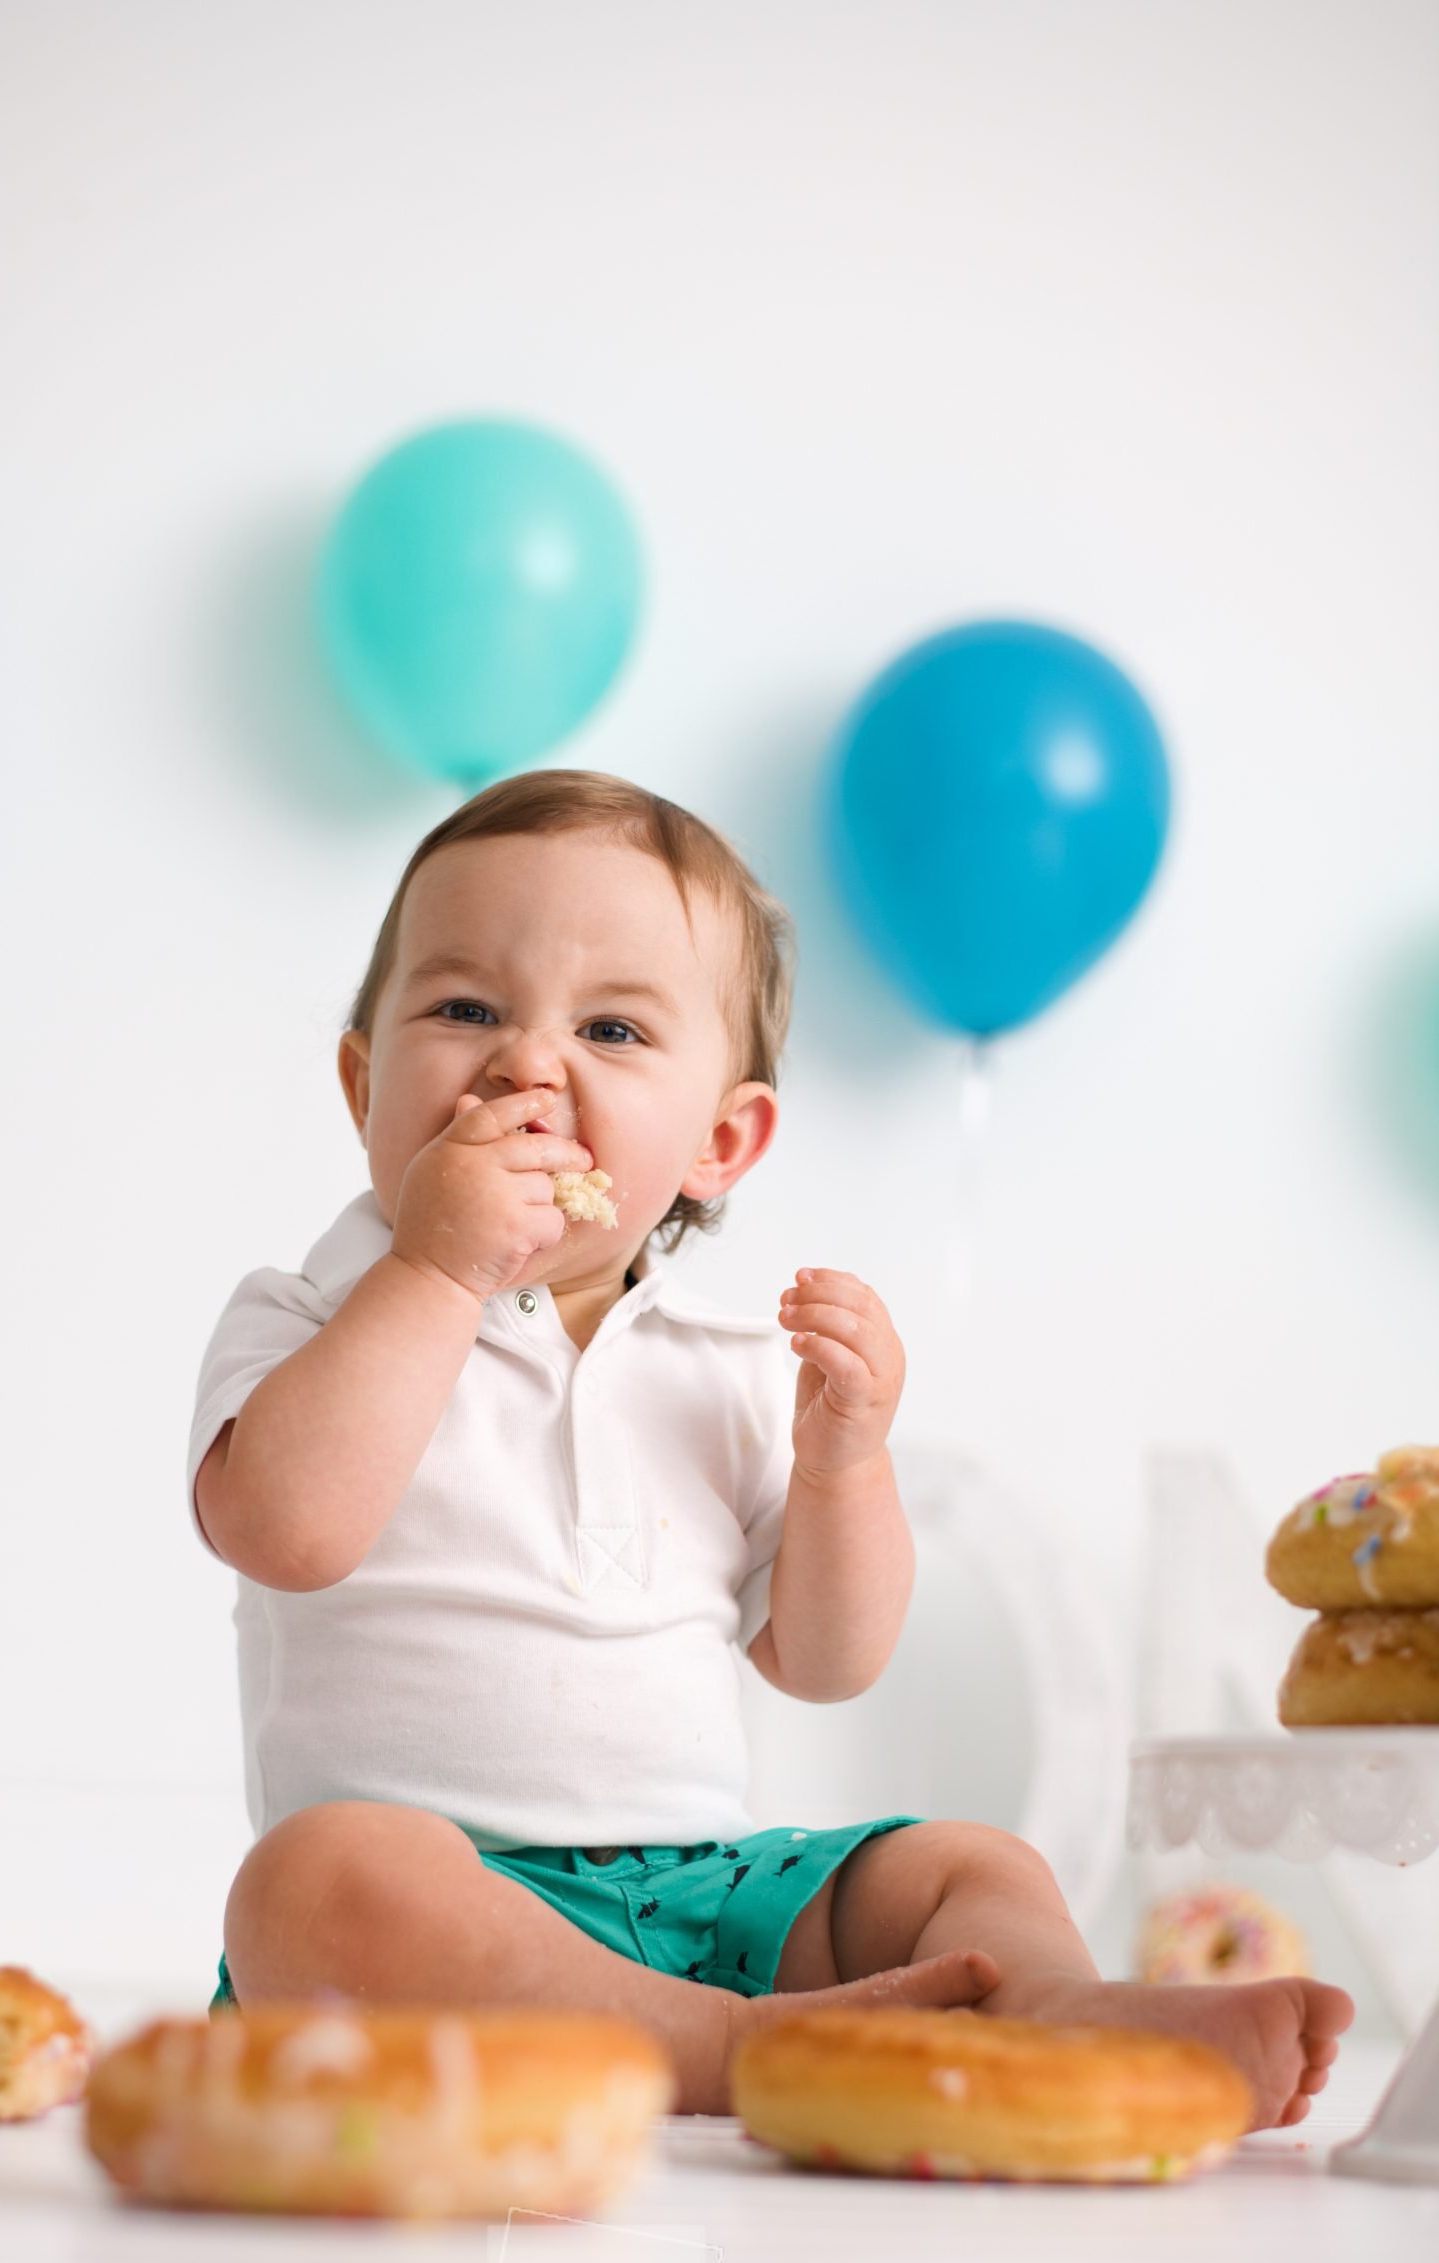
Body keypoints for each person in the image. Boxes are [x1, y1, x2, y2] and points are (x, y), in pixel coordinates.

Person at [187, 769, 1352, 2120]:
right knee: (312, 1884)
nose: (526, 1065)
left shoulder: (730, 1373)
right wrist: (439, 1275)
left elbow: (827, 1660)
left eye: (612, 1028)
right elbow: (287, 1529)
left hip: (707, 1896)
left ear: (719, 1143)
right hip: (448, 1913)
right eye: (463, 1011)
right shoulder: (307, 1319)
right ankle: (737, 2051)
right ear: (362, 1081)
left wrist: (847, 1466)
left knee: (967, 1867)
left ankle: (1055, 2010)